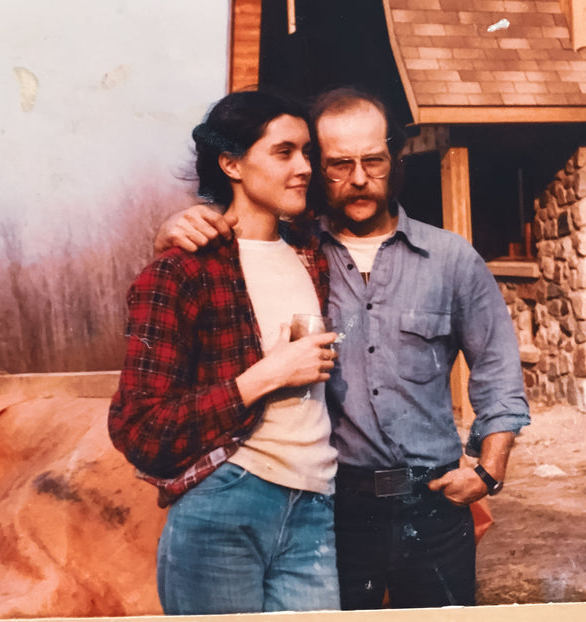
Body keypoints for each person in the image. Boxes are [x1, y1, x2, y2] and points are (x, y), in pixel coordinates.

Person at [156, 87, 531, 610]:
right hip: (336, 509)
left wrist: (489, 470)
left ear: (394, 159)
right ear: (317, 167)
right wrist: (174, 228)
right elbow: (237, 244)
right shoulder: (300, 255)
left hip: (434, 503)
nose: (358, 179)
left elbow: (497, 368)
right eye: (338, 165)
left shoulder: (450, 258)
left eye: (373, 161)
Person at [107, 90, 341, 615]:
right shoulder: (180, 272)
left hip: (314, 506)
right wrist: (265, 376)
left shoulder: (313, 256)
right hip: (227, 501)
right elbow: (139, 429)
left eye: (306, 153)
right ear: (231, 163)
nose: (304, 167)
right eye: (284, 153)